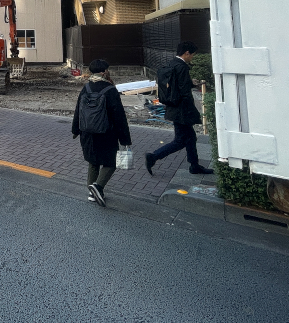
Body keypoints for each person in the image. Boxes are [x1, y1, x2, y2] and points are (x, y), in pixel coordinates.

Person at [146, 42, 214, 176]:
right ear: (187, 53)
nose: (192, 58)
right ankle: (154, 156)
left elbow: (176, 85)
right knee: (181, 140)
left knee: (190, 138)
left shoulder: (172, 64)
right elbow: (183, 91)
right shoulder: (182, 67)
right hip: (182, 110)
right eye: (192, 55)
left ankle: (194, 166)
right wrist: (192, 111)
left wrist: (190, 82)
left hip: (173, 107)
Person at [71, 59, 132, 207]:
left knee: (93, 161)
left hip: (87, 132)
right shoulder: (110, 90)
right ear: (104, 72)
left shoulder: (86, 88)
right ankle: (98, 186)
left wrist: (75, 130)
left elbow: (78, 110)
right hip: (106, 133)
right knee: (111, 162)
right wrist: (125, 139)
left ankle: (92, 193)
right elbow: (119, 116)